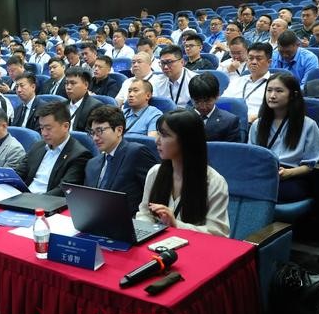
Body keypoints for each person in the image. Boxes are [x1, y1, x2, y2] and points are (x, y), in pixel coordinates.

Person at [135, 109, 230, 237]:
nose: (157, 141)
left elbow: (218, 233)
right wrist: (143, 232)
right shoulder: (155, 172)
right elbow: (145, 214)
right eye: (158, 134)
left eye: (164, 135)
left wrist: (176, 225)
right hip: (157, 244)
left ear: (186, 141)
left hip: (193, 246)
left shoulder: (214, 182)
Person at [249, 73, 319, 203]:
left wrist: (289, 173)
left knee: (268, 192)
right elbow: (251, 158)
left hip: (293, 176)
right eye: (269, 90)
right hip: (263, 174)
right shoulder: (258, 124)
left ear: (293, 95)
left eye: (279, 91)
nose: (272, 96)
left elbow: (311, 165)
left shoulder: (308, 125)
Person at [84, 106, 158, 214]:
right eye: (92, 133)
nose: (95, 138)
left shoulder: (136, 153)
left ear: (119, 130)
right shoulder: (92, 164)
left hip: (129, 219)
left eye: (100, 131)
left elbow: (156, 193)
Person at [15, 101, 92, 196]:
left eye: (48, 128)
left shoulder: (79, 155)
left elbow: (64, 190)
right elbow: (19, 173)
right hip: (24, 196)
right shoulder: (38, 146)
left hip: (48, 201)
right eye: (41, 128)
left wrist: (33, 199)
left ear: (65, 126)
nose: (44, 133)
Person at [223, 42, 273, 123]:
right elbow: (223, 103)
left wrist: (258, 116)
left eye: (258, 59)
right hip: (231, 123)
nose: (254, 62)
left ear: (269, 62)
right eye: (250, 58)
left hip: (258, 123)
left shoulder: (274, 84)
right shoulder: (237, 81)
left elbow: (278, 110)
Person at [189, 73, 241, 142]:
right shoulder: (182, 119)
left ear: (217, 96)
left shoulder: (230, 122)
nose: (203, 107)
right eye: (197, 101)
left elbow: (231, 148)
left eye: (207, 101)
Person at [64, 67, 104, 132]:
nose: (68, 87)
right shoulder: (62, 105)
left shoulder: (95, 107)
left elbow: (90, 135)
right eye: (66, 83)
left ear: (86, 85)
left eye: (73, 83)